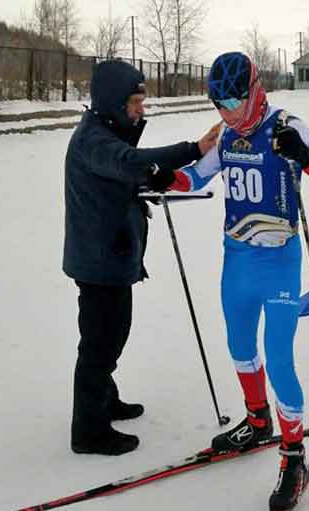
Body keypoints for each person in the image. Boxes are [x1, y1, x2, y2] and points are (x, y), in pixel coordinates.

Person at [167, 52, 309, 511]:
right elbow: (194, 177)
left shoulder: (288, 125)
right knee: (239, 345)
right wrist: (161, 176)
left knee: (281, 359)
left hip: (279, 263)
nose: (227, 111)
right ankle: (256, 419)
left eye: (233, 99)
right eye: (218, 102)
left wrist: (305, 157)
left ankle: (293, 456)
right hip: (237, 259)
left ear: (255, 88)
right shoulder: (228, 135)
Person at [63, 60, 219, 456]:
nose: (140, 109)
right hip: (99, 262)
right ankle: (89, 430)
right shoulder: (93, 141)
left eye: (141, 101)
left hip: (111, 256)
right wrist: (194, 150)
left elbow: (128, 172)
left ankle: (105, 400)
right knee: (100, 344)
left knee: (112, 336)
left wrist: (153, 178)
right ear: (114, 100)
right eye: (134, 101)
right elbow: (128, 163)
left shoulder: (107, 132)